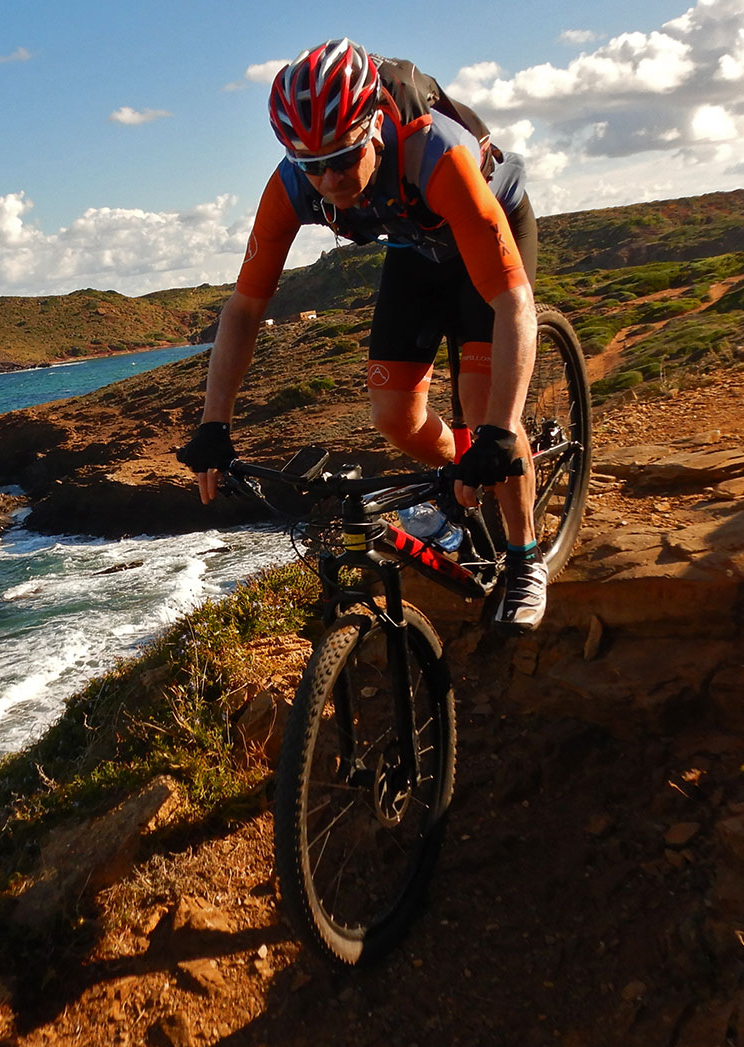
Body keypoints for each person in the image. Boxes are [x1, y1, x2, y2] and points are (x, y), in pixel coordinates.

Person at [175, 37, 550, 631]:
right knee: (393, 417)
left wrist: (498, 434)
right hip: (417, 248)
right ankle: (459, 485)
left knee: (486, 414)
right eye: (312, 166)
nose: (328, 180)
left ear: (374, 127)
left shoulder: (437, 154)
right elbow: (244, 308)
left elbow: (513, 300)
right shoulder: (294, 184)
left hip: (487, 230)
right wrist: (213, 425)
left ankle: (526, 556)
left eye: (343, 160)